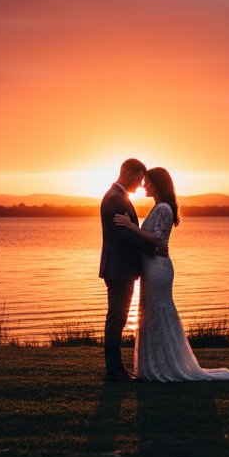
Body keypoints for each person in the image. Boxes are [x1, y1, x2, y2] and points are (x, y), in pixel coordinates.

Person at [114, 167, 229, 382]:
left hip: (158, 268)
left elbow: (156, 239)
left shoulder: (164, 208)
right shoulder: (158, 207)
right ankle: (153, 365)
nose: (143, 185)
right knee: (150, 313)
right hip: (151, 266)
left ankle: (167, 366)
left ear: (156, 184)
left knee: (159, 312)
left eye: (147, 182)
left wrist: (130, 226)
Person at [98, 158, 165, 382]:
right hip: (119, 269)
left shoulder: (118, 197)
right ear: (128, 173)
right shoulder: (116, 200)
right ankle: (113, 370)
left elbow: (128, 232)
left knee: (118, 318)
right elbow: (124, 236)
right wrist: (152, 248)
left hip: (120, 268)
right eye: (138, 178)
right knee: (117, 318)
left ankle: (116, 368)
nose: (140, 184)